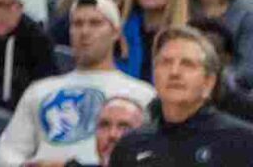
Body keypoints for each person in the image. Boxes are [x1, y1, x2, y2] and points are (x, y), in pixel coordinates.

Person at [0, 0, 152, 167]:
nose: (84, 31)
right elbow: (5, 151)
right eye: (77, 24)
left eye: (95, 23)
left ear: (115, 32)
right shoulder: (40, 90)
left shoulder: (141, 93)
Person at [105, 25, 253, 163]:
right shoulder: (129, 146)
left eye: (187, 64)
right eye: (166, 62)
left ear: (209, 82)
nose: (174, 72)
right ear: (154, 76)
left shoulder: (242, 141)